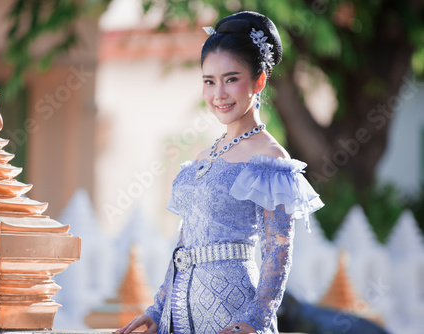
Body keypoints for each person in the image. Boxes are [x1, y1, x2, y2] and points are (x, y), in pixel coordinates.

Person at [116, 11, 324, 334]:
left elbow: (278, 251)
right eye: (209, 81)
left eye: (231, 79)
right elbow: (185, 243)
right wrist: (157, 310)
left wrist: (254, 322)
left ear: (259, 81)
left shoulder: (270, 158)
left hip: (234, 316)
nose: (219, 94)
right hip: (179, 316)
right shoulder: (204, 155)